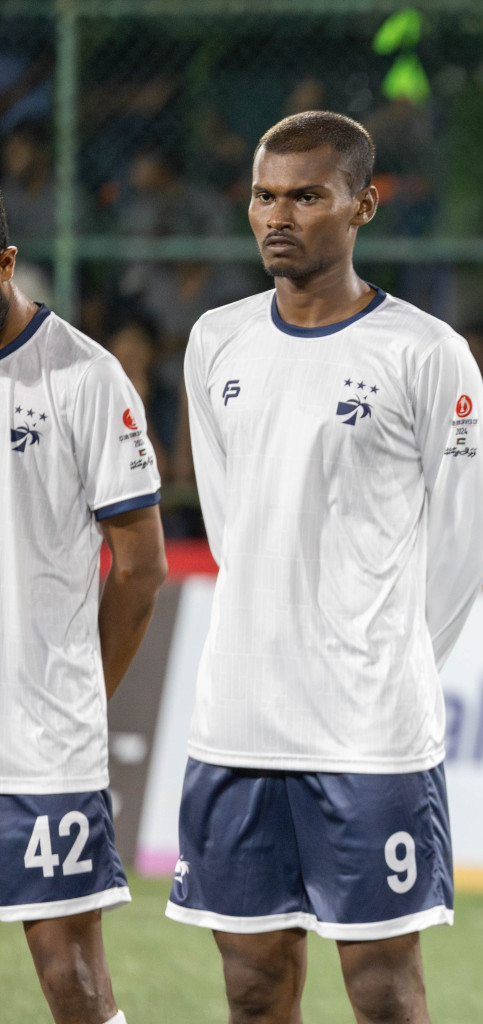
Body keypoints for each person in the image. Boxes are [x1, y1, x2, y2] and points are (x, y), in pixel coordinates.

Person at [167, 111, 483, 1024]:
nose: (280, 215)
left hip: (368, 733)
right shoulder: (216, 341)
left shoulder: (427, 353)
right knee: (250, 989)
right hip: (237, 721)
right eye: (265, 196)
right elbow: (234, 520)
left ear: (364, 205)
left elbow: (469, 540)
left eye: (308, 196)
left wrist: (384, 655)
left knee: (385, 992)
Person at [0, 194, 167, 1024]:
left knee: (73, 983)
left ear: (6, 265)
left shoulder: (83, 376)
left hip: (41, 744)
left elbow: (140, 569)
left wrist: (77, 698)